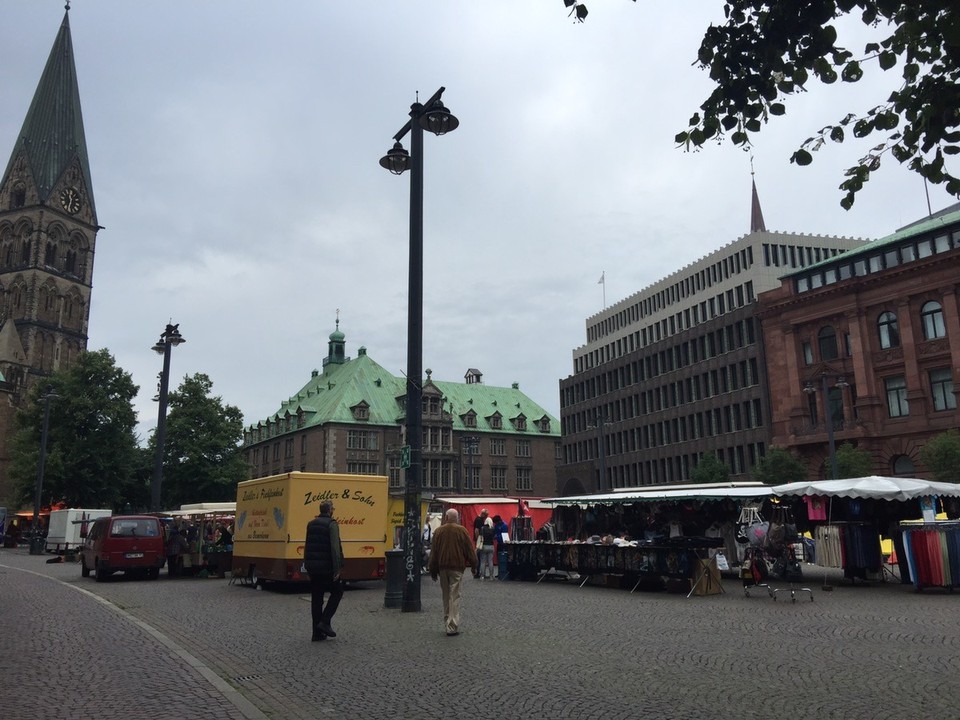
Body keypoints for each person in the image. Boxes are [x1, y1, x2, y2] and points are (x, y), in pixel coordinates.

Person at [427, 508, 478, 636]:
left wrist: (433, 570)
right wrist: (474, 566)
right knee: (454, 596)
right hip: (457, 567)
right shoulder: (462, 531)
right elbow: (469, 550)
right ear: (457, 518)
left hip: (443, 567)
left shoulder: (438, 531)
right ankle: (452, 625)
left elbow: (434, 553)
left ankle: (447, 621)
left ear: (446, 517)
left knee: (445, 595)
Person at [304, 500, 344, 642]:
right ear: (329, 510)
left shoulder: (311, 524)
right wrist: (337, 568)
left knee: (316, 599)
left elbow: (307, 545)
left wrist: (307, 566)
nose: (334, 509)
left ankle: (316, 633)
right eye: (333, 507)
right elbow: (334, 548)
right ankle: (325, 622)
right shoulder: (331, 524)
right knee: (337, 592)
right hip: (327, 567)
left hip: (313, 568)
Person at [472, 509, 491, 578]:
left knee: (480, 557)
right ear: (483, 514)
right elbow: (476, 530)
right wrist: (478, 540)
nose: (486, 517)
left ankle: (478, 573)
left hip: (478, 540)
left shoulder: (478, 519)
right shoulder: (479, 520)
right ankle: (478, 573)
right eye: (486, 516)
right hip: (479, 541)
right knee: (480, 557)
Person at [493, 514, 510, 580]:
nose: (495, 524)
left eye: (496, 522)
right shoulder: (497, 525)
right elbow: (495, 532)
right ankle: (500, 572)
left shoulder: (504, 525)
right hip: (499, 543)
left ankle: (504, 571)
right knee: (499, 558)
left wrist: (496, 537)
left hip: (504, 543)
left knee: (503, 558)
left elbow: (504, 535)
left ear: (499, 521)